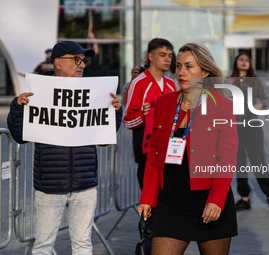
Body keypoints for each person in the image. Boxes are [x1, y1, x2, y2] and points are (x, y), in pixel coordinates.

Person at [7, 40, 123, 254]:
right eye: (76, 60)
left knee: (82, 244)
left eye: (84, 60)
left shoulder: (93, 94)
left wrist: (114, 112)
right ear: (58, 63)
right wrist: (16, 108)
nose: (82, 65)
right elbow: (20, 137)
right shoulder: (39, 94)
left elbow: (104, 139)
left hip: (85, 185)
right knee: (43, 245)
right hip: (50, 186)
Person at [137, 42, 238, 254]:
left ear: (205, 71)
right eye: (179, 66)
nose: (181, 72)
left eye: (189, 67)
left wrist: (217, 200)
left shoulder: (223, 106)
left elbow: (227, 158)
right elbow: (154, 156)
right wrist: (147, 197)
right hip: (170, 202)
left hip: (209, 201)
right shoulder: (163, 103)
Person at [229, 52, 269, 212]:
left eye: (247, 60)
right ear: (236, 63)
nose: (244, 62)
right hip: (235, 125)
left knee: (258, 161)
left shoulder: (255, 81)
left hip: (252, 124)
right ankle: (244, 198)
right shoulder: (230, 81)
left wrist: (260, 105)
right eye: (241, 60)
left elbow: (267, 100)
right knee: (240, 161)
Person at [124, 38, 177, 189]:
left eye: (170, 55)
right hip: (147, 154)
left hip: (169, 153)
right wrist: (143, 115)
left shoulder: (171, 84)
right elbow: (127, 121)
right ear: (151, 57)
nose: (168, 59)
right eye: (162, 54)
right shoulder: (138, 83)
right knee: (150, 205)